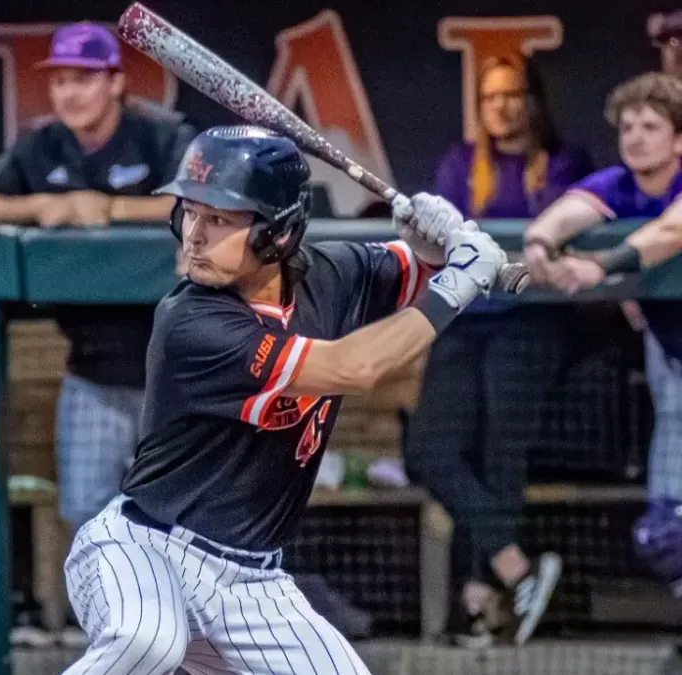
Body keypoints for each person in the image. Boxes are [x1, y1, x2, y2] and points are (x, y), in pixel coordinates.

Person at [60, 124, 507, 674]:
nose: (194, 235)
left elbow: (427, 266)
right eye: (189, 212)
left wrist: (440, 240)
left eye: (220, 219)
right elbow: (356, 367)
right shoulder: (192, 322)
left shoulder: (332, 274)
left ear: (278, 234)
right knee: (146, 639)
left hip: (252, 583)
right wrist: (459, 283)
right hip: (143, 550)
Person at [0, 22, 196, 532]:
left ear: (115, 82)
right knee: (88, 518)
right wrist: (45, 204)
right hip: (92, 369)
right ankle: (108, 617)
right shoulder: (42, 146)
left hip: (177, 369)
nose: (69, 93)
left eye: (83, 79)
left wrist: (110, 208)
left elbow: (197, 202)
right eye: (60, 81)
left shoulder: (162, 135)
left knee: (187, 521)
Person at [403, 54, 593, 647]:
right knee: (431, 450)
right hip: (467, 314)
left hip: (535, 317)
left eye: (513, 94)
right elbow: (447, 234)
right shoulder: (461, 162)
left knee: (498, 450)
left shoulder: (567, 162)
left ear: (533, 100)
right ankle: (518, 567)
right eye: (491, 97)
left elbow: (561, 232)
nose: (502, 106)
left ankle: (481, 602)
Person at [519, 72, 682, 599]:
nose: (635, 136)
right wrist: (541, 242)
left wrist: (601, 268)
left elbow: (671, 231)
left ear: (678, 138)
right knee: (666, 534)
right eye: (628, 126)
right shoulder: (620, 183)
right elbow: (566, 213)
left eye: (651, 126)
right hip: (674, 358)